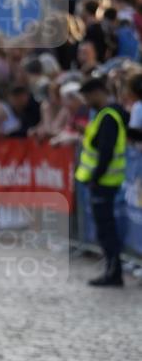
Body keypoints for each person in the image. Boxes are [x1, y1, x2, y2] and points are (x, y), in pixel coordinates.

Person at [75, 76, 128, 287]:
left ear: (97, 93)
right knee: (105, 229)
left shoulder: (108, 117)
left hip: (105, 182)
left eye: (87, 97)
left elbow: (106, 152)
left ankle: (114, 273)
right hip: (104, 181)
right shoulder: (104, 115)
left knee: (107, 230)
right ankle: (111, 270)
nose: (86, 103)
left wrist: (95, 178)